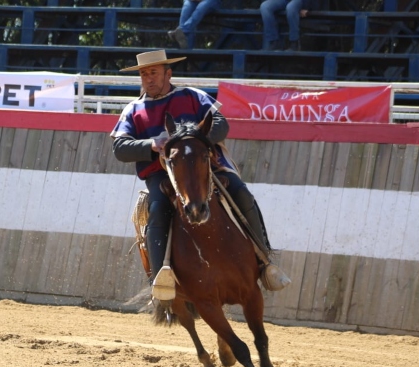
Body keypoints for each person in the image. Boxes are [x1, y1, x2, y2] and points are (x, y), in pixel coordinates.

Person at [110, 49, 289, 298]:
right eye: (143, 74)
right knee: (158, 209)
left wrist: (199, 142)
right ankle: (160, 281)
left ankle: (264, 262)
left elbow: (220, 123)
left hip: (206, 166)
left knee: (241, 192)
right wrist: (151, 145)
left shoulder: (193, 96)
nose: (148, 78)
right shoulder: (134, 109)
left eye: (153, 72)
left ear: (168, 73)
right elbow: (119, 147)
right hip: (162, 174)